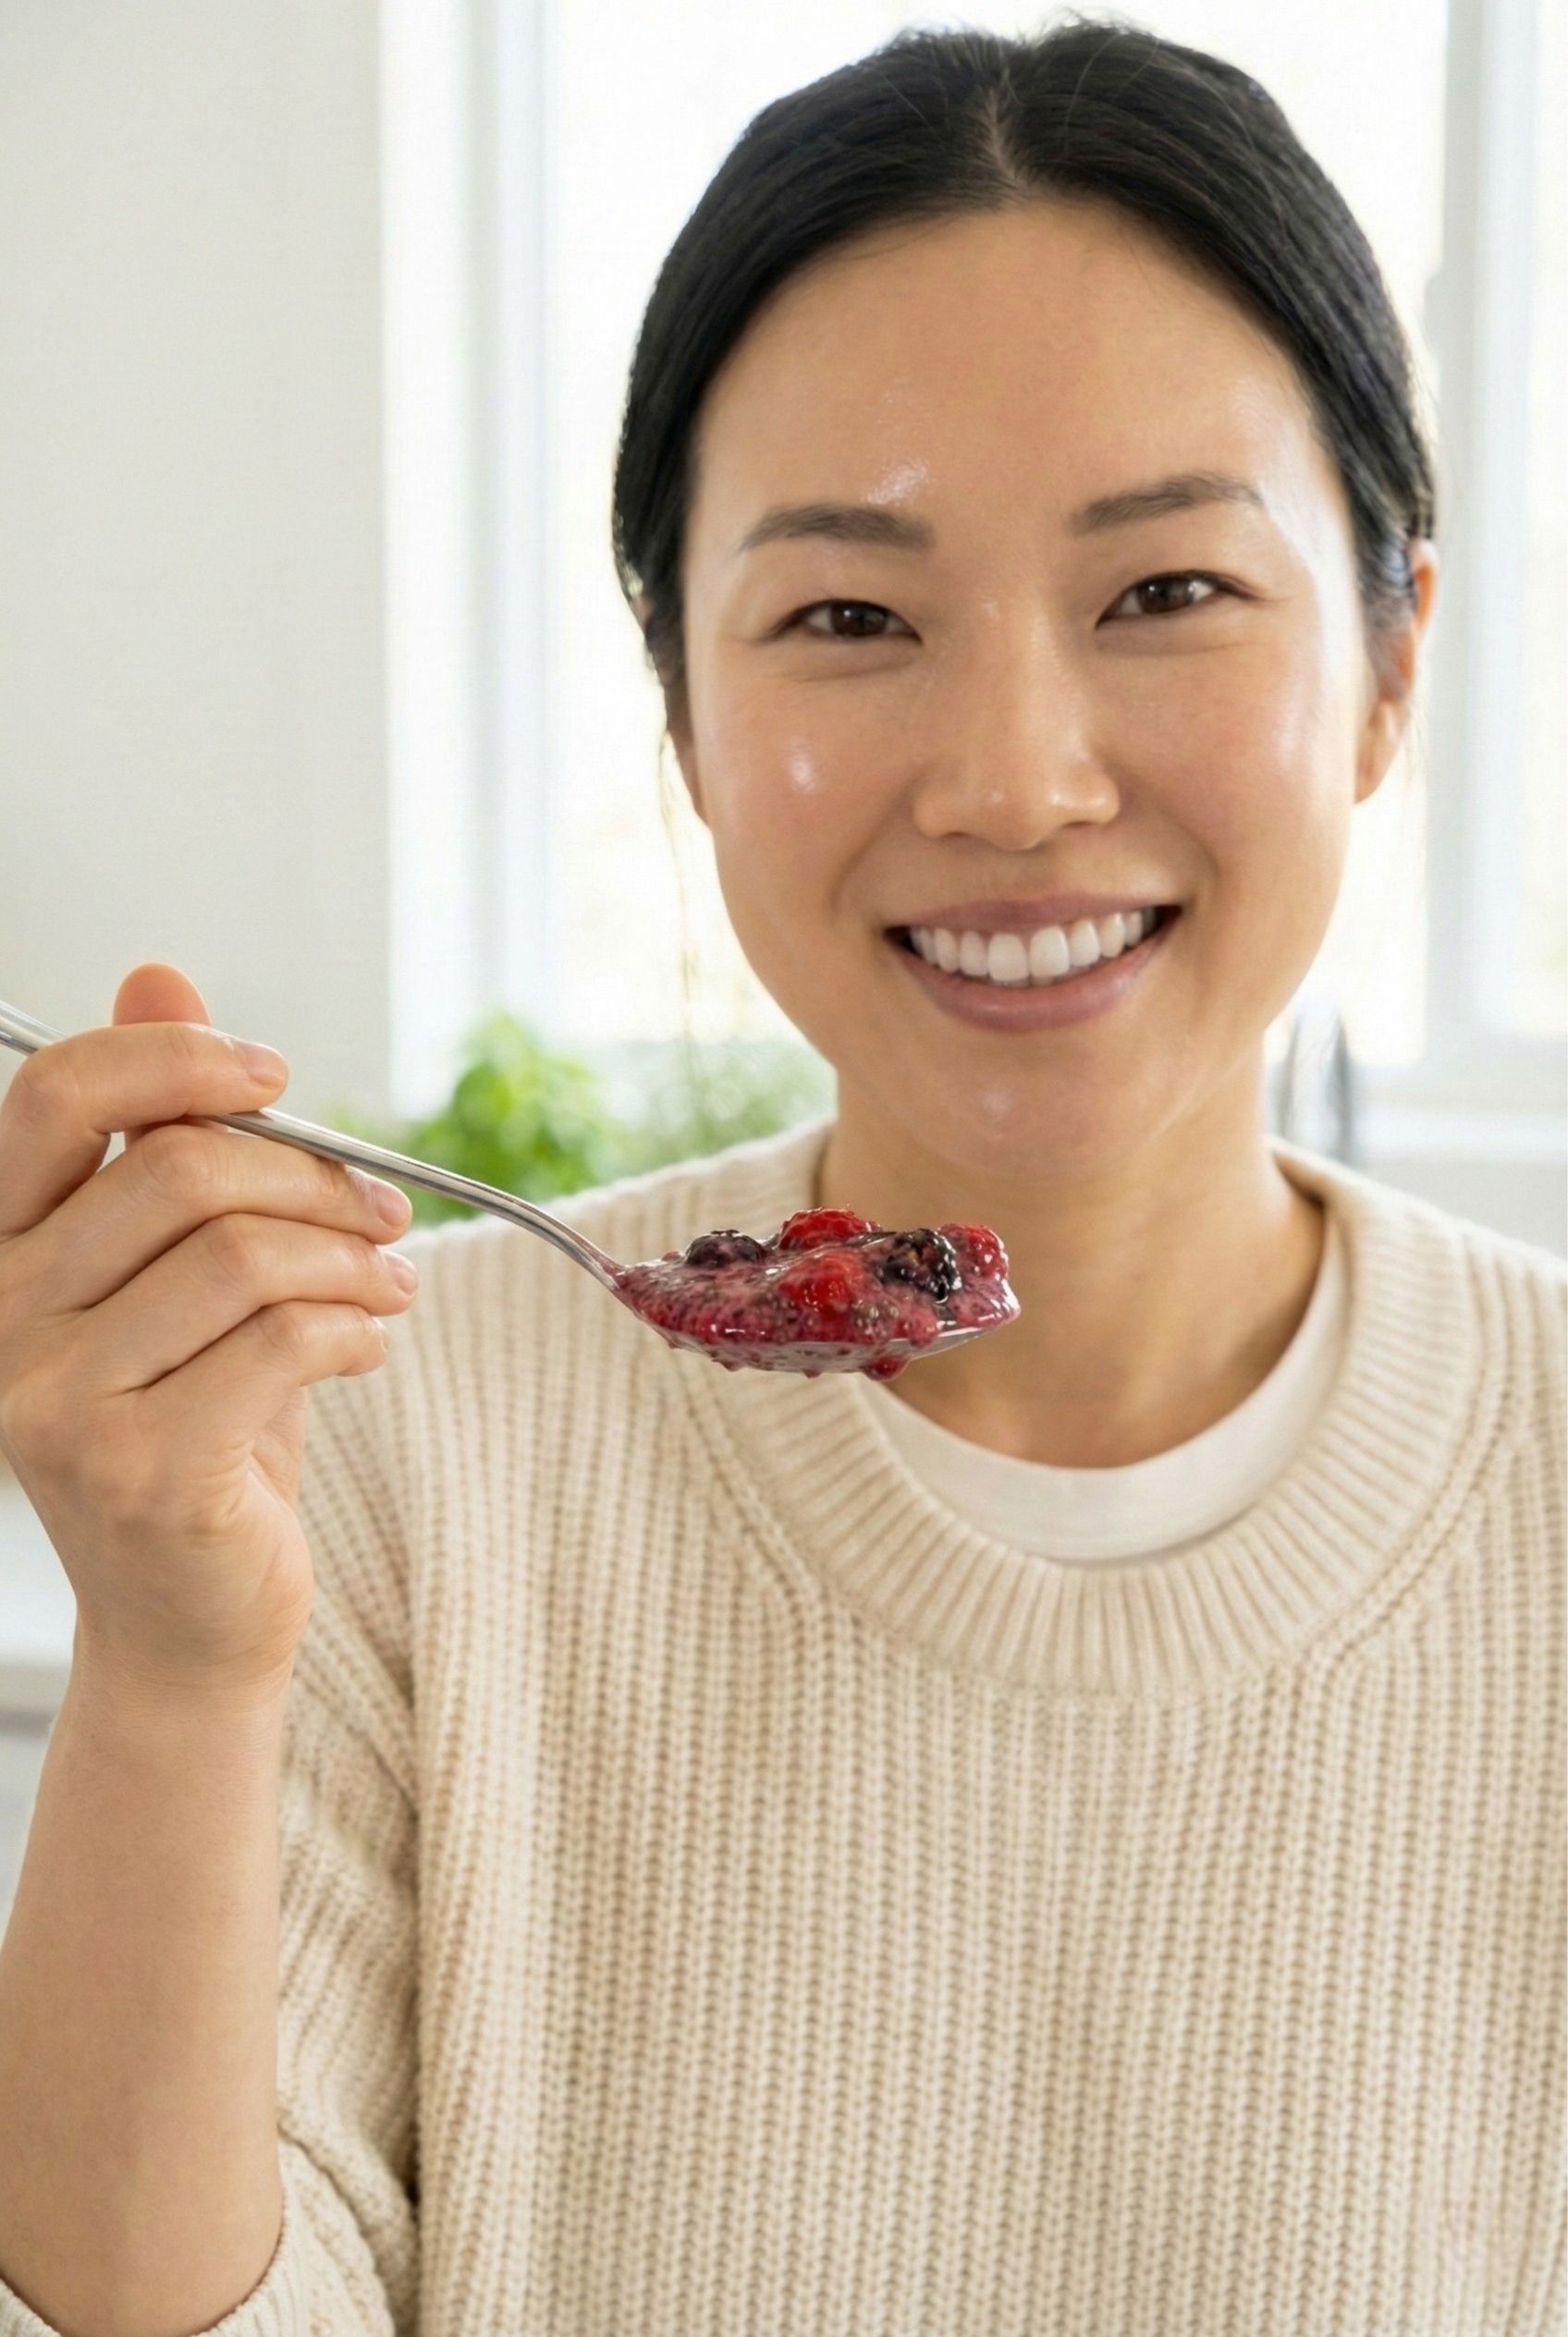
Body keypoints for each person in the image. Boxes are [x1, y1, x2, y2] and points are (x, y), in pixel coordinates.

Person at [0, 19, 1562, 2334]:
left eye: (1164, 596)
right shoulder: (399, 1458)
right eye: (848, 617)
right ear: (681, 719)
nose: (1016, 780)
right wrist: (167, 1647)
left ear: (1385, 662)